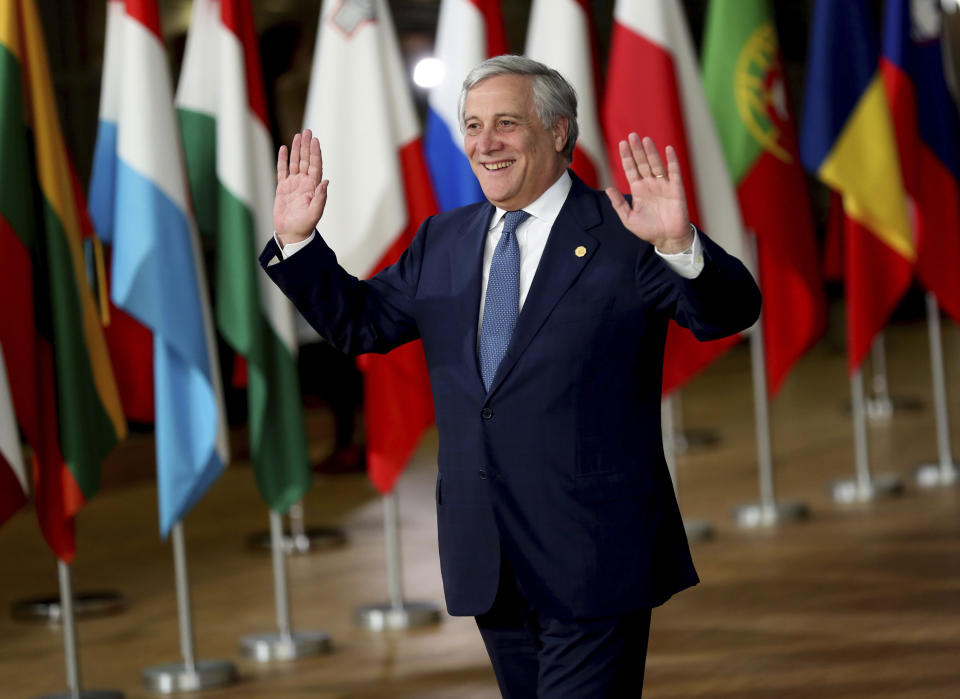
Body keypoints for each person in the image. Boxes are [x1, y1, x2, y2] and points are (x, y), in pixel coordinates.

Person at [261, 55, 760, 698]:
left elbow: (727, 313)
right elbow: (362, 325)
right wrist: (299, 244)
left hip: (594, 552)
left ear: (557, 132)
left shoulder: (626, 231)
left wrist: (680, 246)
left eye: (505, 123)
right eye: (473, 125)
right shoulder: (443, 239)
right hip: (487, 552)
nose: (484, 143)